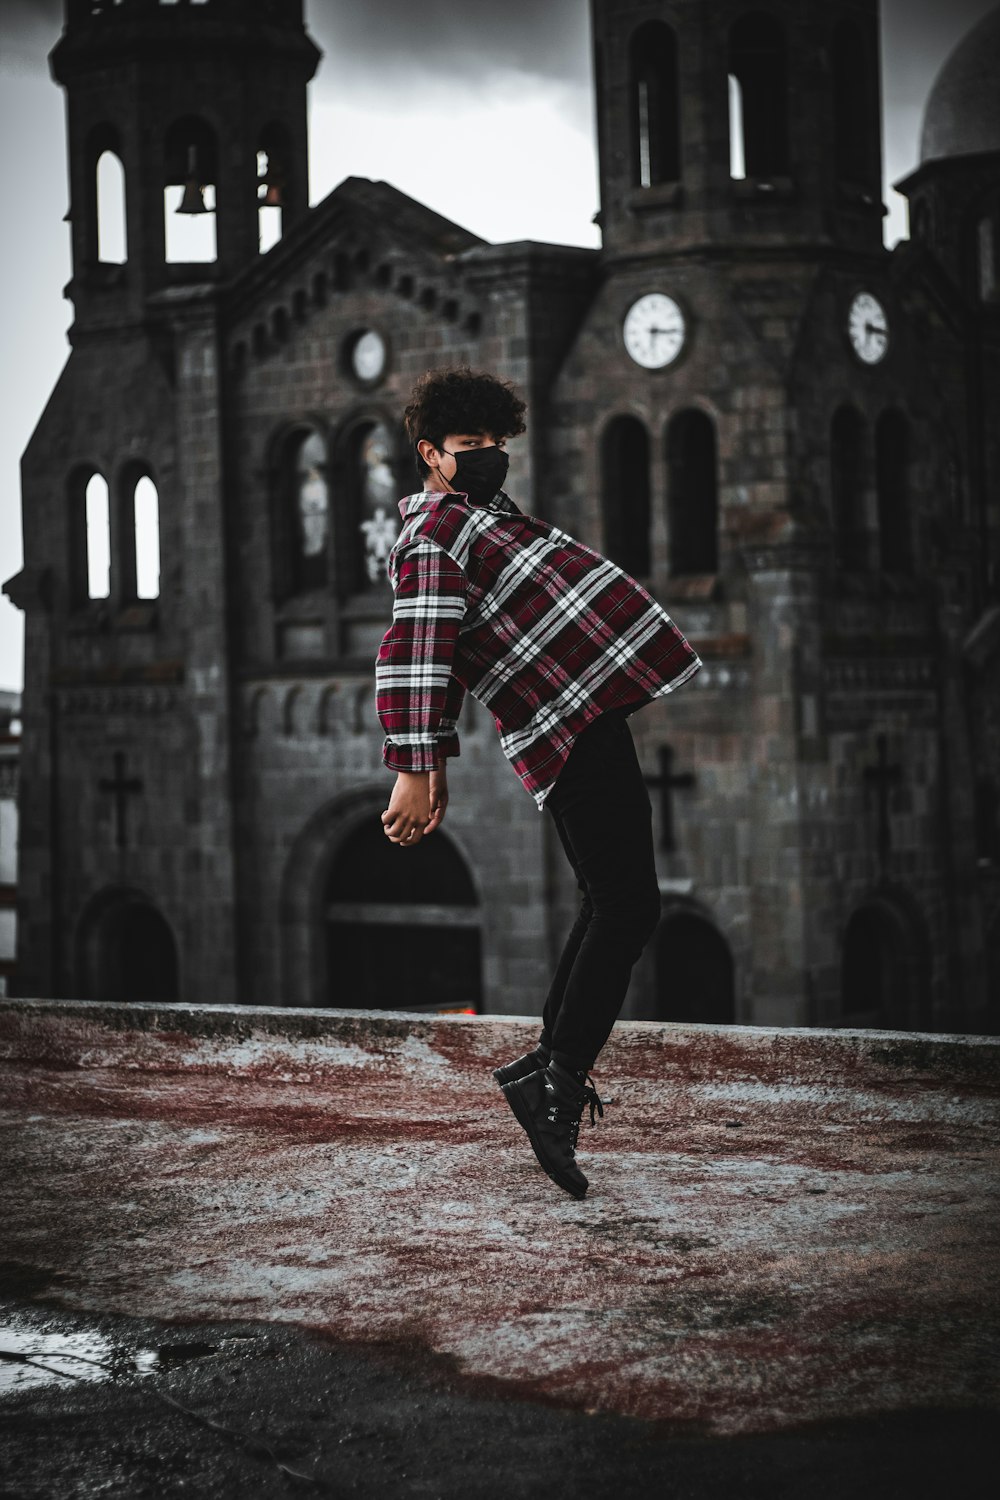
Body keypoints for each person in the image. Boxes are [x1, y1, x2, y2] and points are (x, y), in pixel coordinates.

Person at [375, 368, 702, 1199]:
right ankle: (556, 1081)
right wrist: (417, 767)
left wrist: (433, 760)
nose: (488, 458)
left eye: (495, 445)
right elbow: (419, 648)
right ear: (430, 455)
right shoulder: (435, 533)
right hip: (565, 725)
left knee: (609, 899)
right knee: (630, 906)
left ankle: (547, 1069)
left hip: (584, 715)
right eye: (468, 448)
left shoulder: (480, 519)